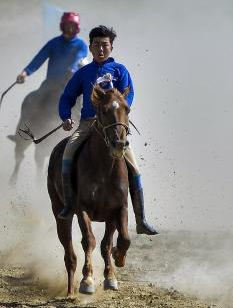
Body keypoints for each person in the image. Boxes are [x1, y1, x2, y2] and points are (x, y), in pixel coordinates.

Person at [57, 25, 158, 235]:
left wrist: (122, 106)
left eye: (105, 45)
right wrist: (65, 116)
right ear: (90, 47)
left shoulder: (120, 70)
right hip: (88, 124)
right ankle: (68, 205)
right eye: (96, 45)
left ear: (111, 47)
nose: (101, 49)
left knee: (134, 168)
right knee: (67, 155)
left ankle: (140, 218)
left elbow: (129, 95)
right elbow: (67, 97)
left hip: (114, 126)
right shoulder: (83, 73)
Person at [9, 12, 88, 180]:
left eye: (73, 26)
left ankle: (79, 129)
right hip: (50, 84)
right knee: (32, 100)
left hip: (69, 85)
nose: (70, 29)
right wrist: (25, 72)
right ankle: (22, 134)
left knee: (78, 108)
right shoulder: (54, 43)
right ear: (62, 26)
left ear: (77, 28)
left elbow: (80, 58)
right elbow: (39, 59)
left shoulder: (81, 45)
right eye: (67, 26)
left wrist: (73, 69)